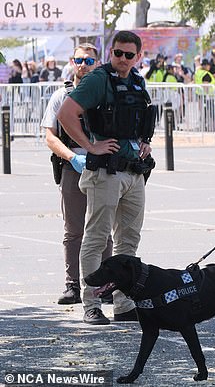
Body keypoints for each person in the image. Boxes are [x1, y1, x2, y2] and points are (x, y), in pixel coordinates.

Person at [57, 30, 156, 325]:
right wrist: (89, 145)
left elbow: (139, 119)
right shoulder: (98, 79)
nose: (122, 59)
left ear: (138, 56)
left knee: (129, 240)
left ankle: (123, 303)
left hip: (133, 171)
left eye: (129, 55)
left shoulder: (137, 81)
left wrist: (145, 142)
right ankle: (91, 303)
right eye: (117, 53)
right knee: (97, 237)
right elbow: (67, 112)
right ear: (110, 52)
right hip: (106, 171)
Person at [41, 43, 113, 305]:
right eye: (78, 59)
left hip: (103, 164)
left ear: (97, 63)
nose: (83, 64)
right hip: (73, 165)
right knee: (74, 231)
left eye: (88, 60)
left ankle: (106, 286)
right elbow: (50, 136)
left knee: (103, 229)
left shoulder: (105, 94)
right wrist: (72, 157)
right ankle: (72, 285)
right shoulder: (62, 96)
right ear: (72, 62)